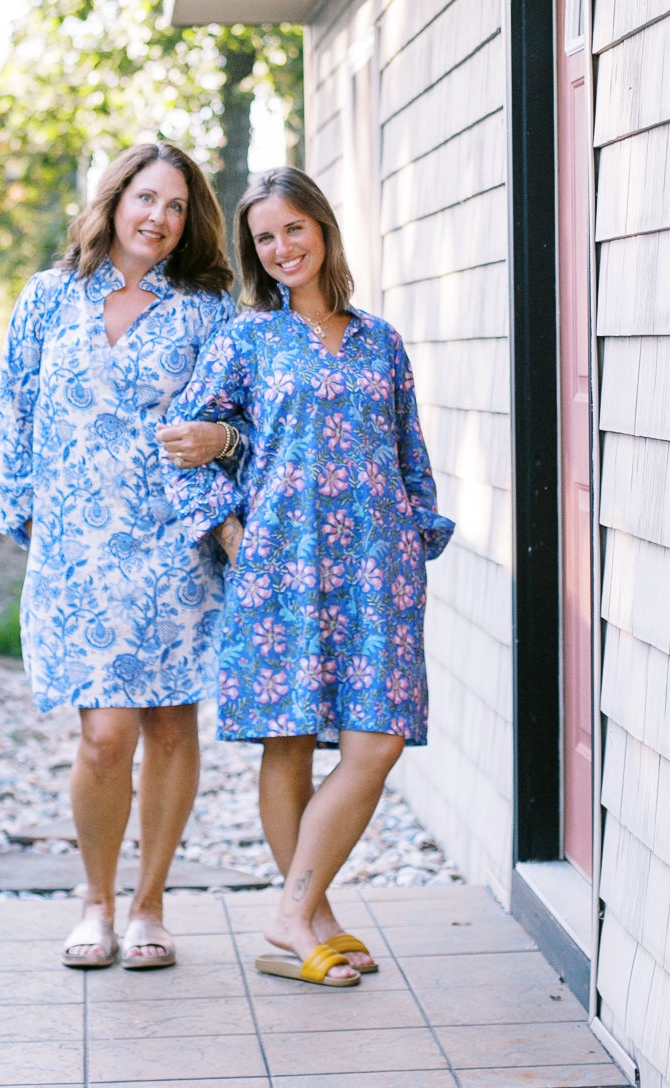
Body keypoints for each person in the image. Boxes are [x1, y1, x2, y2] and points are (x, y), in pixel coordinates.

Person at [161, 166, 453, 987]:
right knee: (288, 740)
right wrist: (230, 535)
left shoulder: (381, 341)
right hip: (279, 567)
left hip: (376, 570)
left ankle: (293, 909)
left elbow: (409, 457)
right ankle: (308, 921)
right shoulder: (247, 339)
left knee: (376, 742)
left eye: (294, 228)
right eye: (265, 237)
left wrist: (412, 543)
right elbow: (184, 447)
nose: (282, 247)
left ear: (321, 229)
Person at [0, 142, 242, 972]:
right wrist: (29, 520)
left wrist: (222, 440)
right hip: (76, 554)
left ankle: (149, 904)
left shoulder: (209, 310)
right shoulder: (49, 299)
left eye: (175, 206)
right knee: (104, 734)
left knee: (169, 726)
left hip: (174, 546)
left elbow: (252, 421)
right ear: (114, 199)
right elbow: (9, 415)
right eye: (145, 199)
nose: (158, 218)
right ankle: (93, 900)